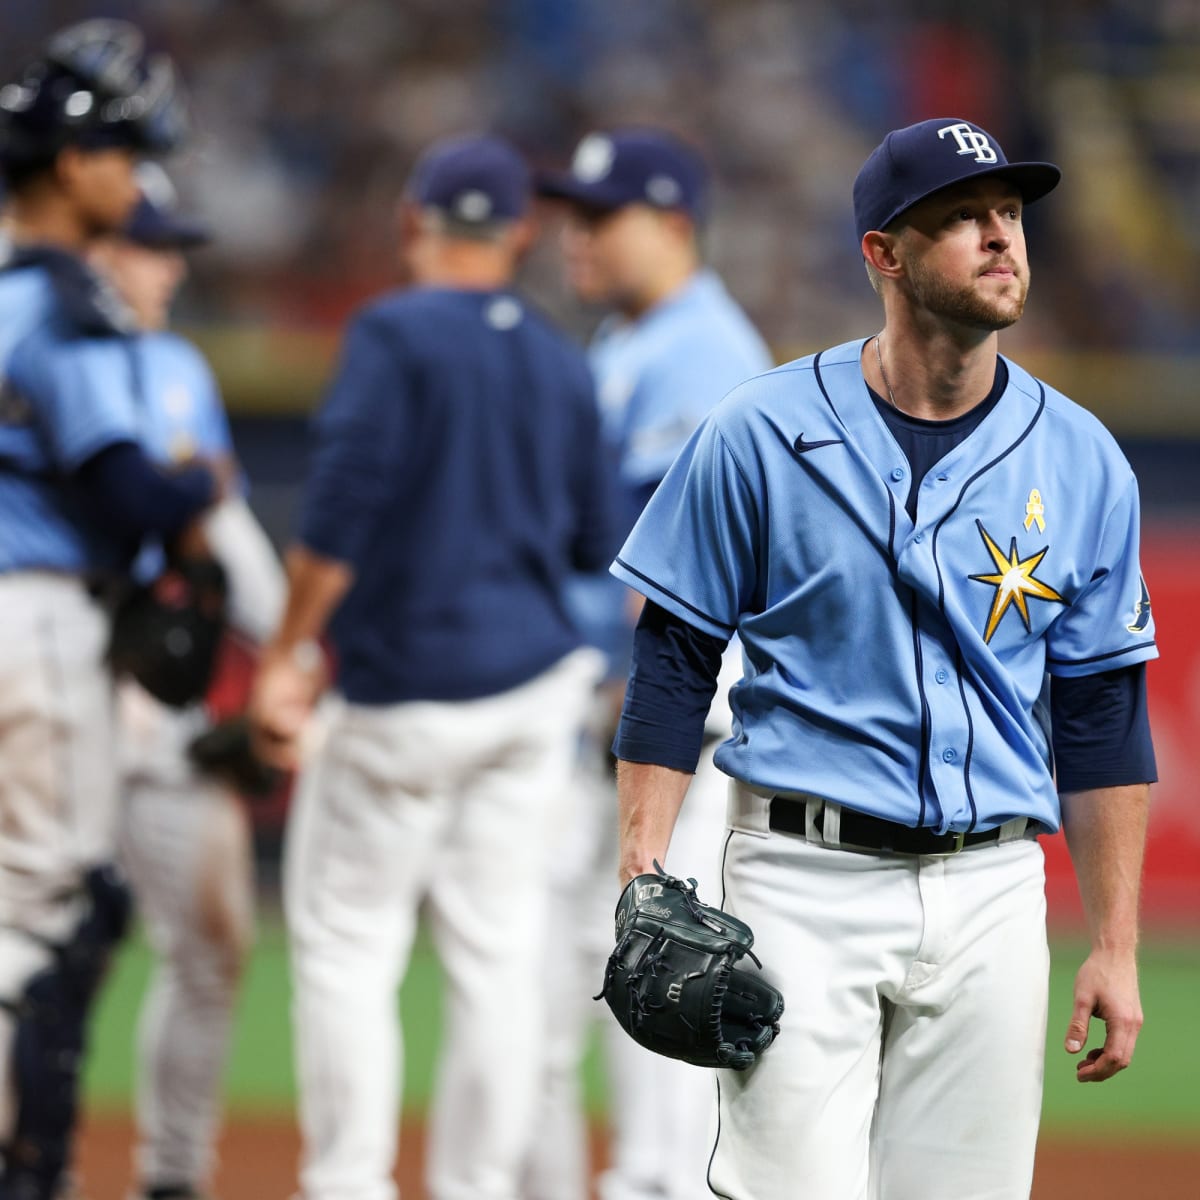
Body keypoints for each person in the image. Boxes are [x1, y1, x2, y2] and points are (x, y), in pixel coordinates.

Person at [607, 116, 1158, 1200]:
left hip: (996, 888)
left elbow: (1102, 715)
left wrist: (1117, 942)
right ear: (884, 254)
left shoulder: (1083, 457)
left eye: (1009, 214)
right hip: (804, 881)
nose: (1002, 238)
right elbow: (672, 661)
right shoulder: (757, 433)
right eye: (963, 219)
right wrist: (642, 871)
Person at [247, 133, 622, 1200]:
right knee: (499, 961)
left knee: (347, 954)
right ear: (519, 233)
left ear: (413, 223)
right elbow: (598, 540)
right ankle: (477, 1187)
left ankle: (350, 1183)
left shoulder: (393, 331)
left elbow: (339, 508)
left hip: (401, 698)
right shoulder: (559, 355)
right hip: (525, 700)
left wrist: (285, 653)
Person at [0, 20, 223, 1200]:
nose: (136, 179)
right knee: (40, 920)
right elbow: (133, 490)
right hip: (35, 621)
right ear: (70, 160)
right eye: (126, 152)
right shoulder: (58, 300)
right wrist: (194, 488)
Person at [529, 127, 773, 1200]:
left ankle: (660, 1185)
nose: (574, 233)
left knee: (658, 963)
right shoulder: (627, 339)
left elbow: (668, 580)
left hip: (675, 717)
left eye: (600, 215)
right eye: (571, 211)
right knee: (571, 970)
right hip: (612, 704)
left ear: (672, 225)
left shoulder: (704, 350)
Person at [87, 163, 286, 1200]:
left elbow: (229, 539)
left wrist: (291, 660)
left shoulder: (175, 369)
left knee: (211, 945)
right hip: (45, 695)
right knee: (31, 946)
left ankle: (171, 1177)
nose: (169, 267)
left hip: (158, 711)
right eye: (148, 245)